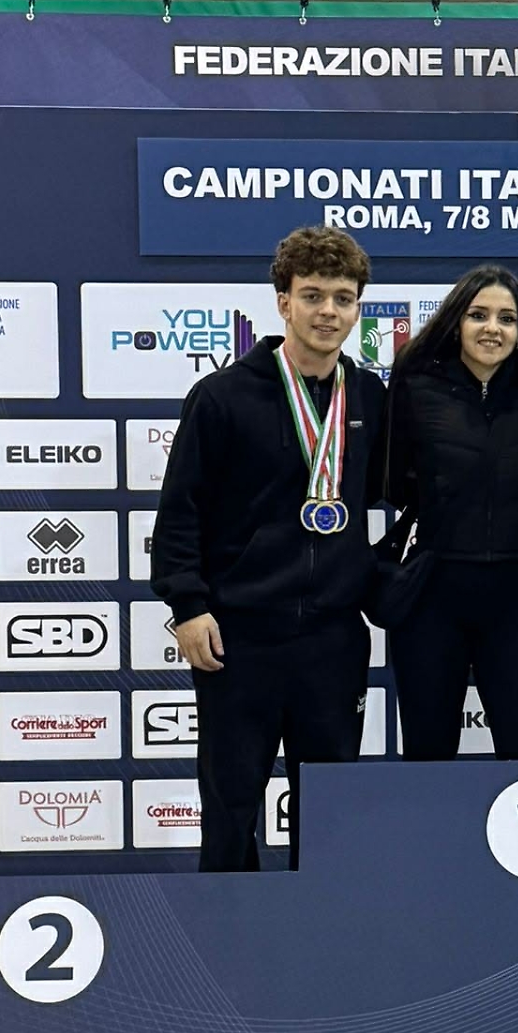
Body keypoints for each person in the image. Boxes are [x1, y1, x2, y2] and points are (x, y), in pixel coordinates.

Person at [151, 227, 385, 872]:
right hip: (239, 637)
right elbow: (180, 512)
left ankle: (324, 928)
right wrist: (188, 605)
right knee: (230, 807)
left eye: (343, 299)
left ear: (357, 308)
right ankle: (228, 929)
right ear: (283, 302)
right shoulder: (222, 395)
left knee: (330, 814)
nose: (328, 312)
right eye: (312, 296)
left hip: (333, 638)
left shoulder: (370, 397)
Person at [383, 265, 518, 761]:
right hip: (431, 594)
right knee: (428, 756)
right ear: (455, 322)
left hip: (511, 595)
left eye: (507, 318)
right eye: (478, 315)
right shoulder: (415, 386)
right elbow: (391, 477)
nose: (493, 328)